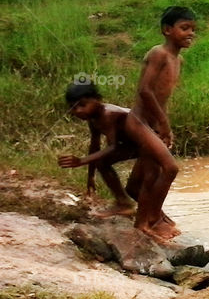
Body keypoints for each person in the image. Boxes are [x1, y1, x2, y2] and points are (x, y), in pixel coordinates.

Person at [58, 81, 179, 242]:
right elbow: (95, 146)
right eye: (73, 107)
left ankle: (159, 224)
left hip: (152, 140)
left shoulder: (109, 114)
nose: (78, 111)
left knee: (138, 188)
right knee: (108, 167)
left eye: (82, 105)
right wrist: (90, 176)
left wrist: (81, 161)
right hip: (135, 145)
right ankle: (125, 204)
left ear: (98, 100)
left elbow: (113, 147)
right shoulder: (94, 119)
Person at [124, 6, 196, 221]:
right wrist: (164, 125)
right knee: (169, 169)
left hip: (153, 125)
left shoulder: (178, 60)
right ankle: (149, 221)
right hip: (139, 121)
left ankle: (153, 214)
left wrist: (164, 127)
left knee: (143, 178)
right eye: (184, 28)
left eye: (193, 29)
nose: (191, 33)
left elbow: (162, 96)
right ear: (167, 30)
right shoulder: (159, 54)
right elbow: (145, 90)